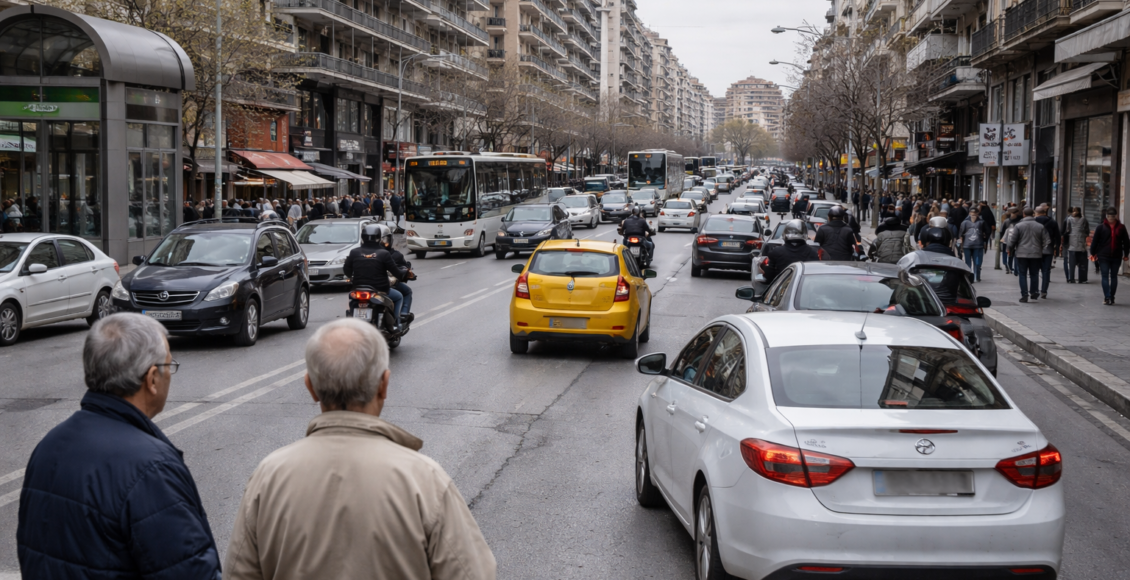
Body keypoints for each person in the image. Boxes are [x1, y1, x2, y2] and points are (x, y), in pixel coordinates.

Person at [224, 319, 496, 580]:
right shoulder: (424, 480)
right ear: (384, 384)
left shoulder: (269, 476)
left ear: (311, 387)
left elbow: (239, 572)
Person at [17, 314, 222, 579]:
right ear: (151, 379)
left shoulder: (48, 446)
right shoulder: (152, 469)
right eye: (169, 365)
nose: (170, 374)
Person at [343, 224, 410, 325]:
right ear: (379, 238)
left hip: (358, 289)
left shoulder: (354, 252)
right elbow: (396, 272)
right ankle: (397, 323)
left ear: (362, 237)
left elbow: (347, 270)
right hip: (380, 290)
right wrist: (404, 273)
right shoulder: (384, 253)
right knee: (399, 296)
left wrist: (352, 277)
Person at [1007, 207, 1050, 303]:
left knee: (1022, 274)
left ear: (1023, 214)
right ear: (1033, 214)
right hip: (1036, 253)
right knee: (1034, 273)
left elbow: (1012, 240)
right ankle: (1034, 292)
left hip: (1021, 253)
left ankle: (1024, 294)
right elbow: (1047, 240)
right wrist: (1041, 248)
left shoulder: (1018, 226)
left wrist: (1009, 248)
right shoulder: (1040, 226)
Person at [1089, 207, 1130, 305]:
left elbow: (1095, 242)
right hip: (1115, 255)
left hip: (1104, 255)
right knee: (1113, 276)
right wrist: (1126, 254)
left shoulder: (1101, 227)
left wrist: (1092, 253)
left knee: (1105, 276)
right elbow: (1127, 242)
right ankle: (1111, 297)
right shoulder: (1121, 227)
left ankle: (1107, 297)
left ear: (1106, 216)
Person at [915, 226, 966, 304]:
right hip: (948, 302)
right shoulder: (956, 262)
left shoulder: (915, 258)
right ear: (949, 242)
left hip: (920, 302)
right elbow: (968, 279)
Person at [384, 230, 416, 324]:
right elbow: (397, 272)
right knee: (401, 295)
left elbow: (347, 271)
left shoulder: (357, 252)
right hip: (381, 286)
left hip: (360, 286)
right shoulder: (385, 255)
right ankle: (400, 318)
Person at [1034, 205, 1060, 299]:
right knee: (1046, 270)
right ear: (1045, 212)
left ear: (1036, 212)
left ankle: (1035, 290)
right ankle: (1044, 291)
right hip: (1048, 249)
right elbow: (1057, 236)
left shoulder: (1033, 222)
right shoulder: (1052, 222)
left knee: (1035, 271)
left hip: (1036, 249)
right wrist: (1056, 249)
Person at [957, 208, 988, 282]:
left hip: (977, 245)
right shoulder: (965, 222)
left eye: (974, 214)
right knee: (969, 262)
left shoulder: (981, 222)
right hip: (968, 245)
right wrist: (960, 244)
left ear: (977, 214)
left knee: (977, 262)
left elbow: (986, 232)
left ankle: (975, 277)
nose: (973, 216)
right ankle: (970, 277)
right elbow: (960, 234)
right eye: (971, 214)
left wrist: (984, 242)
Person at [1063, 207, 1090, 284]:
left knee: (1071, 263)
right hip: (1081, 243)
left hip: (1072, 244)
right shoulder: (1084, 220)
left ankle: (1071, 278)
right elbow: (1087, 230)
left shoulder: (1069, 219)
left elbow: (1067, 230)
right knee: (1083, 262)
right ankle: (1082, 279)